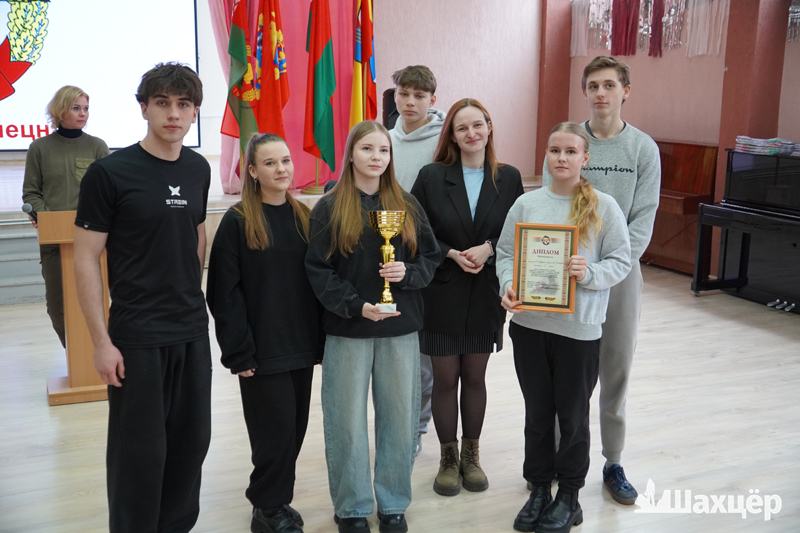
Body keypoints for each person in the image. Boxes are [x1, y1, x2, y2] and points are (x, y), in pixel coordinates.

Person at [73, 63, 211, 533]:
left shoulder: (198, 168)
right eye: (163, 103)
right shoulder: (110, 173)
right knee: (139, 454)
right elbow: (85, 259)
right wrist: (101, 342)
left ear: (194, 113)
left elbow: (196, 234)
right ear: (144, 108)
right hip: (137, 336)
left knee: (191, 445)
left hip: (191, 330)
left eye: (183, 105)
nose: (173, 114)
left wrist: (190, 289)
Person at [305, 121, 440, 533]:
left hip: (400, 330)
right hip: (348, 329)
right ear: (351, 154)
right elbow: (318, 270)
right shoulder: (329, 206)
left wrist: (407, 273)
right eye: (367, 149)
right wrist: (356, 306)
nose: (376, 157)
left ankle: (393, 503)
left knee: (399, 419)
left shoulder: (407, 204)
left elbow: (429, 258)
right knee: (345, 422)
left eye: (383, 150)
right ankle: (351, 507)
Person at [499, 122, 631, 532]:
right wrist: (507, 284)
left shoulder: (604, 207)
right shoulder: (526, 205)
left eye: (571, 151)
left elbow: (621, 261)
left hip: (578, 331)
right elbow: (506, 253)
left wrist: (588, 273)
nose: (561, 158)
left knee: (572, 418)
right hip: (530, 326)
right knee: (537, 414)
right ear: (546, 154)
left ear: (584, 158)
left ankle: (570, 496)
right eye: (555, 150)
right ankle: (539, 488)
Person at [543, 55, 660, 505]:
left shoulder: (642, 149)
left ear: (625, 91)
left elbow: (643, 217)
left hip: (621, 274)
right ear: (585, 91)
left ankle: (613, 462)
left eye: (609, 85)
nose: (600, 93)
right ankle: (559, 457)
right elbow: (553, 203)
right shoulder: (568, 141)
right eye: (593, 85)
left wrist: (610, 269)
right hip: (570, 270)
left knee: (616, 368)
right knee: (567, 370)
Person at [206, 133, 323, 533]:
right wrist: (238, 351)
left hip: (300, 346)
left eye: (285, 160)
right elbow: (223, 294)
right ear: (253, 171)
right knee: (272, 435)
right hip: (260, 351)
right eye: (270, 163)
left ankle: (276, 501)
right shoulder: (238, 222)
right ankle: (267, 509)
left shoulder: (304, 216)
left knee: (294, 431)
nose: (281, 169)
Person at [410, 98, 523, 496]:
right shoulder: (431, 176)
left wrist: (488, 248)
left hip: (485, 291)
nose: (472, 133)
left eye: (478, 125)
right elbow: (416, 230)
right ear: (453, 137)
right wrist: (450, 253)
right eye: (462, 128)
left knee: (475, 377)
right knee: (445, 380)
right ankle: (448, 457)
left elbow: (516, 229)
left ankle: (472, 455)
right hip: (441, 291)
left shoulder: (509, 177)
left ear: (489, 128)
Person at [21, 85, 109, 347]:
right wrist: (47, 219)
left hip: (93, 240)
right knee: (58, 308)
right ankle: (75, 355)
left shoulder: (97, 147)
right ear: (60, 110)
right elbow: (31, 193)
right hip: (55, 242)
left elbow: (109, 192)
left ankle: (97, 357)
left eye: (86, 108)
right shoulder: (39, 148)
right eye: (76, 108)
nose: (83, 113)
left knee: (95, 303)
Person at [388, 64, 445, 455]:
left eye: (419, 96)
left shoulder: (443, 143)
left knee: (425, 358)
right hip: (387, 258)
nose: (410, 102)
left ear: (432, 100)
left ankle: (417, 430)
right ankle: (397, 424)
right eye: (403, 94)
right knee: (395, 355)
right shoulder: (384, 140)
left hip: (428, 259)